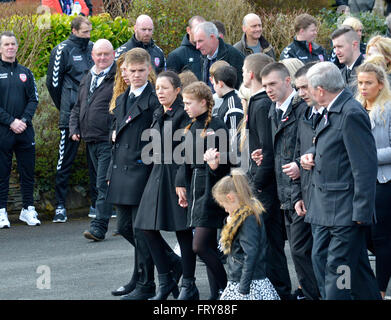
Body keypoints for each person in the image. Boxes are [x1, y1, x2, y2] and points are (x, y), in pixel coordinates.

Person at [300, 61, 381, 300]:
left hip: (345, 212)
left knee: (338, 274)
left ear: (320, 90)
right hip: (327, 209)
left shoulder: (351, 113)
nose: (306, 93)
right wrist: (311, 155)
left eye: (309, 88)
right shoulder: (332, 110)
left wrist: (361, 214)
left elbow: (365, 167)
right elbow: (333, 147)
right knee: (350, 269)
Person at [106, 48, 180, 300]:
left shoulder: (153, 99)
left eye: (141, 70)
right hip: (122, 171)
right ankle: (170, 265)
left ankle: (146, 283)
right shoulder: (122, 98)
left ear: (149, 69)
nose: (136, 75)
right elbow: (115, 139)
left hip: (143, 170)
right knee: (125, 227)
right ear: (124, 71)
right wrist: (109, 171)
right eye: (131, 70)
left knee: (140, 230)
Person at [134, 71, 198, 300]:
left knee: (182, 232)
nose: (160, 92)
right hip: (158, 174)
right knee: (145, 227)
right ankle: (166, 279)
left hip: (177, 176)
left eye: (165, 88)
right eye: (157, 88)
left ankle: (189, 286)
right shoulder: (159, 112)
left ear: (177, 90)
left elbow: (188, 151)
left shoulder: (183, 114)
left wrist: (181, 181)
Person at [259, 62, 319, 300]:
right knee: (299, 251)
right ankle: (309, 292)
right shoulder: (275, 109)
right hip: (284, 191)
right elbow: (281, 148)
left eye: (272, 84)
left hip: (301, 189)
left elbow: (308, 144)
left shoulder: (301, 108)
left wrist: (297, 164)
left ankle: (316, 294)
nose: (268, 89)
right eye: (264, 85)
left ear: (287, 81)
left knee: (304, 251)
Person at [240, 53, 293, 300]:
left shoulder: (260, 103)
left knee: (269, 245)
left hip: (266, 186)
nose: (241, 74)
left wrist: (254, 186)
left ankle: (279, 291)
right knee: (269, 244)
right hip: (266, 182)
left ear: (250, 74)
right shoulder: (260, 101)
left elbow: (268, 151)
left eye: (243, 70)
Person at [176, 81, 231, 300]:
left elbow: (226, 162)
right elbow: (186, 162)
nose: (185, 107)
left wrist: (215, 166)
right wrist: (183, 187)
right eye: (184, 103)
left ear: (204, 102)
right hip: (196, 189)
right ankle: (217, 293)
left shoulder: (216, 126)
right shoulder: (192, 127)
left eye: (189, 103)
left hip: (211, 189)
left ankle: (228, 288)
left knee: (199, 246)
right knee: (206, 246)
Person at [46, 16, 95, 222]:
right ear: (74, 31)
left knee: (96, 161)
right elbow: (53, 83)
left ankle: (97, 203)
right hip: (70, 115)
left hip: (93, 114)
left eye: (90, 31)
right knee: (65, 160)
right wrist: (65, 106)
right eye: (85, 31)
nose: (88, 35)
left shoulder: (93, 48)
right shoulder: (62, 50)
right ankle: (60, 206)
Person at [68, 39, 116, 239]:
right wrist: (74, 127)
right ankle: (126, 223)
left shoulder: (119, 78)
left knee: (103, 184)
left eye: (106, 54)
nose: (102, 58)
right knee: (107, 183)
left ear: (113, 55)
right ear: (92, 56)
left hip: (108, 140)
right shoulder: (88, 76)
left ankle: (98, 227)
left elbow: (120, 108)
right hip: (90, 140)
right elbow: (78, 106)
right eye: (99, 54)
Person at [211, 168, 280, 300]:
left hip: (247, 282)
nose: (225, 209)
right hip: (245, 279)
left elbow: (251, 253)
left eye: (224, 205)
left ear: (230, 198)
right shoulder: (245, 216)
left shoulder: (248, 219)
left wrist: (243, 287)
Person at [356, 62, 391, 299]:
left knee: (381, 237)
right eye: (360, 83)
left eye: (369, 82)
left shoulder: (387, 109)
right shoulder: (356, 107)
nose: (363, 87)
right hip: (358, 183)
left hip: (383, 181)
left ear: (380, 84)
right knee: (363, 235)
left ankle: (379, 289)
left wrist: (367, 158)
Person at [0, 31, 40, 228]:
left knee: (27, 172)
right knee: (2, 172)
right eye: (6, 44)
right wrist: (10, 122)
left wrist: (23, 120)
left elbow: (34, 99)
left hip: (25, 130)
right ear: (0, 48)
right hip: (3, 132)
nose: (10, 47)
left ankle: (28, 209)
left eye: (13, 44)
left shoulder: (26, 72)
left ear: (17, 46)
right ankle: (1, 212)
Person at [291, 62, 322, 300]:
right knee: (301, 250)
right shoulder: (302, 111)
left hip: (328, 197)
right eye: (298, 88)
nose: (301, 93)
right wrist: (297, 195)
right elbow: (295, 152)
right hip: (304, 191)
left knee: (330, 256)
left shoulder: (340, 111)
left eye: (305, 87)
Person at [193, 21, 245, 90]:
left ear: (212, 37)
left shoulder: (234, 55)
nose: (197, 46)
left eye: (200, 41)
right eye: (195, 42)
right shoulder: (202, 57)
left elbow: (242, 87)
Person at [211, 65, 244, 152]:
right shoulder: (227, 101)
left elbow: (234, 136)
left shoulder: (232, 105)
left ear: (220, 84)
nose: (214, 87)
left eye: (214, 84)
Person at [166, 16, 206, 80]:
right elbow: (171, 83)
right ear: (188, 30)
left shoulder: (210, 53)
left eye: (203, 29)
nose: (200, 32)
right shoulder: (175, 56)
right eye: (197, 29)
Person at [332, 26, 364, 92]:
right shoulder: (340, 74)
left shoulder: (370, 71)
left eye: (340, 47)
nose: (337, 52)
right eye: (335, 48)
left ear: (354, 45)